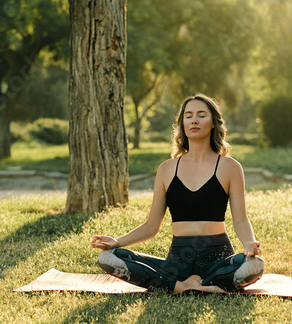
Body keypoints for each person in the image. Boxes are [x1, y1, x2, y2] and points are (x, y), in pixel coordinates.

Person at [91, 93, 264, 294]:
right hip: (177, 263)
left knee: (255, 265)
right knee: (107, 257)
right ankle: (184, 285)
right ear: (182, 123)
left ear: (214, 123)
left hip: (218, 258)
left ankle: (186, 284)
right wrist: (117, 241)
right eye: (188, 115)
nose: (194, 120)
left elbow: (241, 220)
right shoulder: (166, 169)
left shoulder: (230, 167)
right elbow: (150, 226)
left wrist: (249, 245)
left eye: (201, 115)